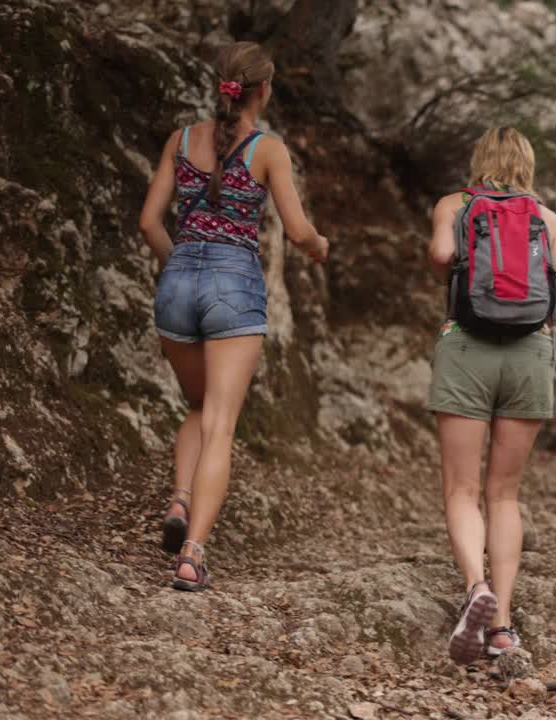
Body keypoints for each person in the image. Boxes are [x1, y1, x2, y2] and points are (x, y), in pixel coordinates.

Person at [138, 41, 329, 591]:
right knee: (221, 422)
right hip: (234, 285)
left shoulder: (181, 140)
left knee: (199, 405)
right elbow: (296, 231)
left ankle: (180, 498)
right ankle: (193, 555)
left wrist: (183, 266)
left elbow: (150, 221)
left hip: (178, 280)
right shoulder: (267, 148)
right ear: (263, 90)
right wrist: (318, 245)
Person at [426, 127, 556, 665]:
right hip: (529, 355)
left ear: (479, 161)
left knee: (462, 489)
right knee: (505, 493)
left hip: (465, 348)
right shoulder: (548, 218)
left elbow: (441, 255)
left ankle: (475, 588)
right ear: (526, 165)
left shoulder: (455, 204)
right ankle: (503, 626)